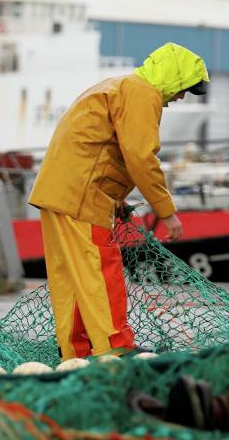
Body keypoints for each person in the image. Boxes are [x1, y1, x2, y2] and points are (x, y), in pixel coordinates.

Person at [28, 42, 209, 360]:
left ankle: (75, 351)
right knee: (101, 269)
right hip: (81, 198)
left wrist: (116, 202)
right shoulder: (141, 93)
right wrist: (167, 212)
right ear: (173, 77)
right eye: (185, 89)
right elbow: (140, 157)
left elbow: (101, 151)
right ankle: (114, 346)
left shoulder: (118, 86)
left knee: (72, 277)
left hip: (60, 193)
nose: (182, 97)